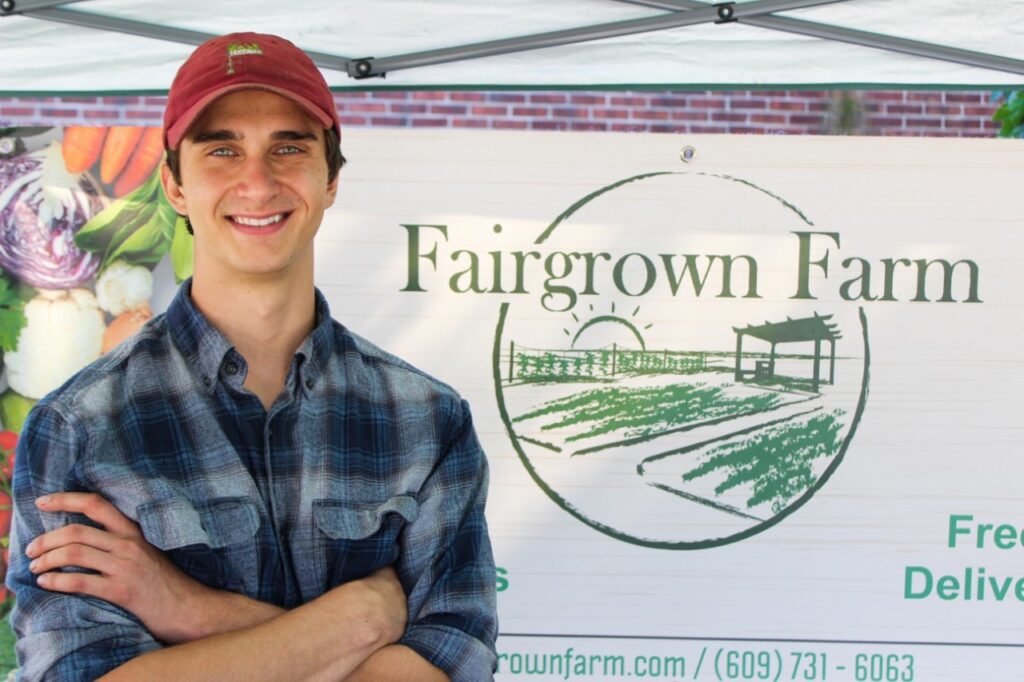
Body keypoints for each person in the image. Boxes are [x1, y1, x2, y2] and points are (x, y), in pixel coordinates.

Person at [5, 32, 498, 681]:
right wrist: (362, 619)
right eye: (221, 149)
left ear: (331, 180)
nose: (257, 181)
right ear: (174, 186)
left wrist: (189, 608)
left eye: (288, 147)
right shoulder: (80, 427)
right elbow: (78, 673)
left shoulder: (428, 421)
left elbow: (453, 660)